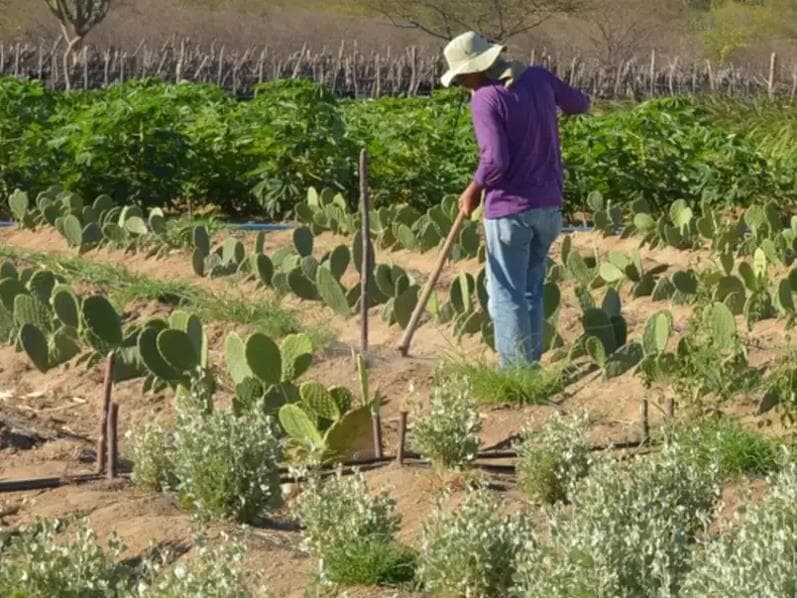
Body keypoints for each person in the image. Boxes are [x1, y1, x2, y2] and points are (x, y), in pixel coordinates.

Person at [441, 31, 591, 368]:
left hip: (509, 210)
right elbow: (580, 103)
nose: (463, 83)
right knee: (531, 290)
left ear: (478, 68)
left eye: (463, 76)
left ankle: (515, 374)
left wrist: (473, 189)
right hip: (549, 208)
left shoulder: (484, 98)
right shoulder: (537, 77)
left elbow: (495, 160)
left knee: (507, 294)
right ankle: (531, 366)